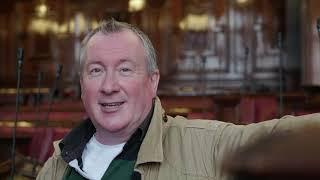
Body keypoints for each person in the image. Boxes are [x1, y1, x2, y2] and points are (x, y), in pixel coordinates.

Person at [36, 18, 320, 180]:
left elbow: (284, 135)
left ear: (152, 81)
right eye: (96, 71)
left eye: (125, 69)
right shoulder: (57, 164)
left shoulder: (205, 145)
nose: (109, 86)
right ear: (83, 85)